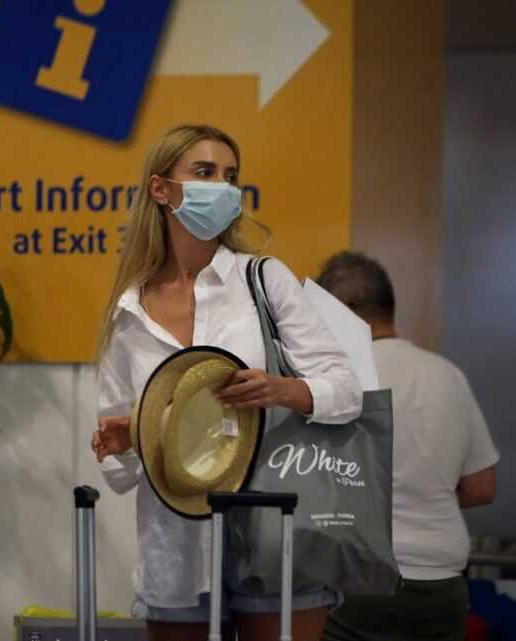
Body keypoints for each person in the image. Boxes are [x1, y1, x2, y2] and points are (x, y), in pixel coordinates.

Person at [91, 124, 363, 641]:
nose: (222, 186)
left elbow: (347, 391)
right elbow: (119, 473)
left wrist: (279, 390)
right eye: (204, 172)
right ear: (160, 189)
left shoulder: (263, 279)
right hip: (176, 545)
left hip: (276, 524)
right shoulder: (129, 311)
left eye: (230, 176)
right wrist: (131, 438)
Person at [316, 251, 499, 641]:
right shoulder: (448, 374)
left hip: (358, 582)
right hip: (441, 587)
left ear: (341, 314)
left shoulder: (336, 381)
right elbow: (482, 487)